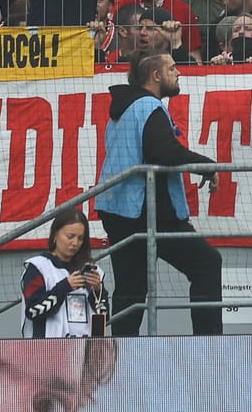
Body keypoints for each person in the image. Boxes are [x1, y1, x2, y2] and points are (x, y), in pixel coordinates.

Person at [94, 53, 223, 336]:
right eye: (172, 68)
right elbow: (165, 152)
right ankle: (210, 347)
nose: (178, 73)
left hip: (120, 209)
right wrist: (208, 166)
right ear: (155, 76)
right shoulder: (149, 106)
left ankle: (120, 360)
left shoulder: (124, 108)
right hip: (146, 210)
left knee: (130, 292)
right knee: (207, 264)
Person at [21, 209, 107, 338]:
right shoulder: (38, 267)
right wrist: (64, 287)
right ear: (55, 234)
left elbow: (105, 318)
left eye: (80, 238)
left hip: (84, 350)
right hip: (47, 351)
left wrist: (98, 291)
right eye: (70, 236)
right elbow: (33, 311)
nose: (75, 243)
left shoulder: (93, 271)